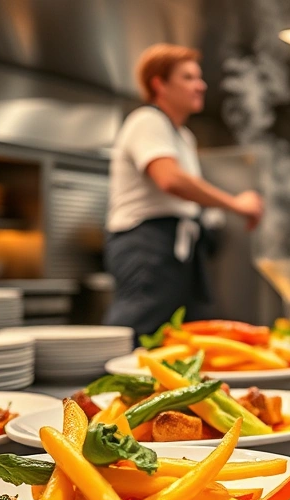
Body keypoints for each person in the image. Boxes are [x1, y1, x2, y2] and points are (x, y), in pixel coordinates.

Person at [104, 44, 264, 338]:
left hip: (180, 246)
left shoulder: (183, 136)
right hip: (146, 244)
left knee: (187, 333)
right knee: (137, 329)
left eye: (199, 78)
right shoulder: (147, 120)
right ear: (159, 84)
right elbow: (171, 181)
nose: (200, 86)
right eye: (188, 77)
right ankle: (107, 383)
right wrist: (236, 204)